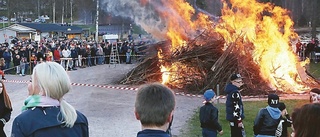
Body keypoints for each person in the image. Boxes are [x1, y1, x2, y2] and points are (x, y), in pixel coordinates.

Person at [11, 62, 89, 137]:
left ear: (42, 89)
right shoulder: (79, 118)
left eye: (31, 81)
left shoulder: (23, 122)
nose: (28, 84)